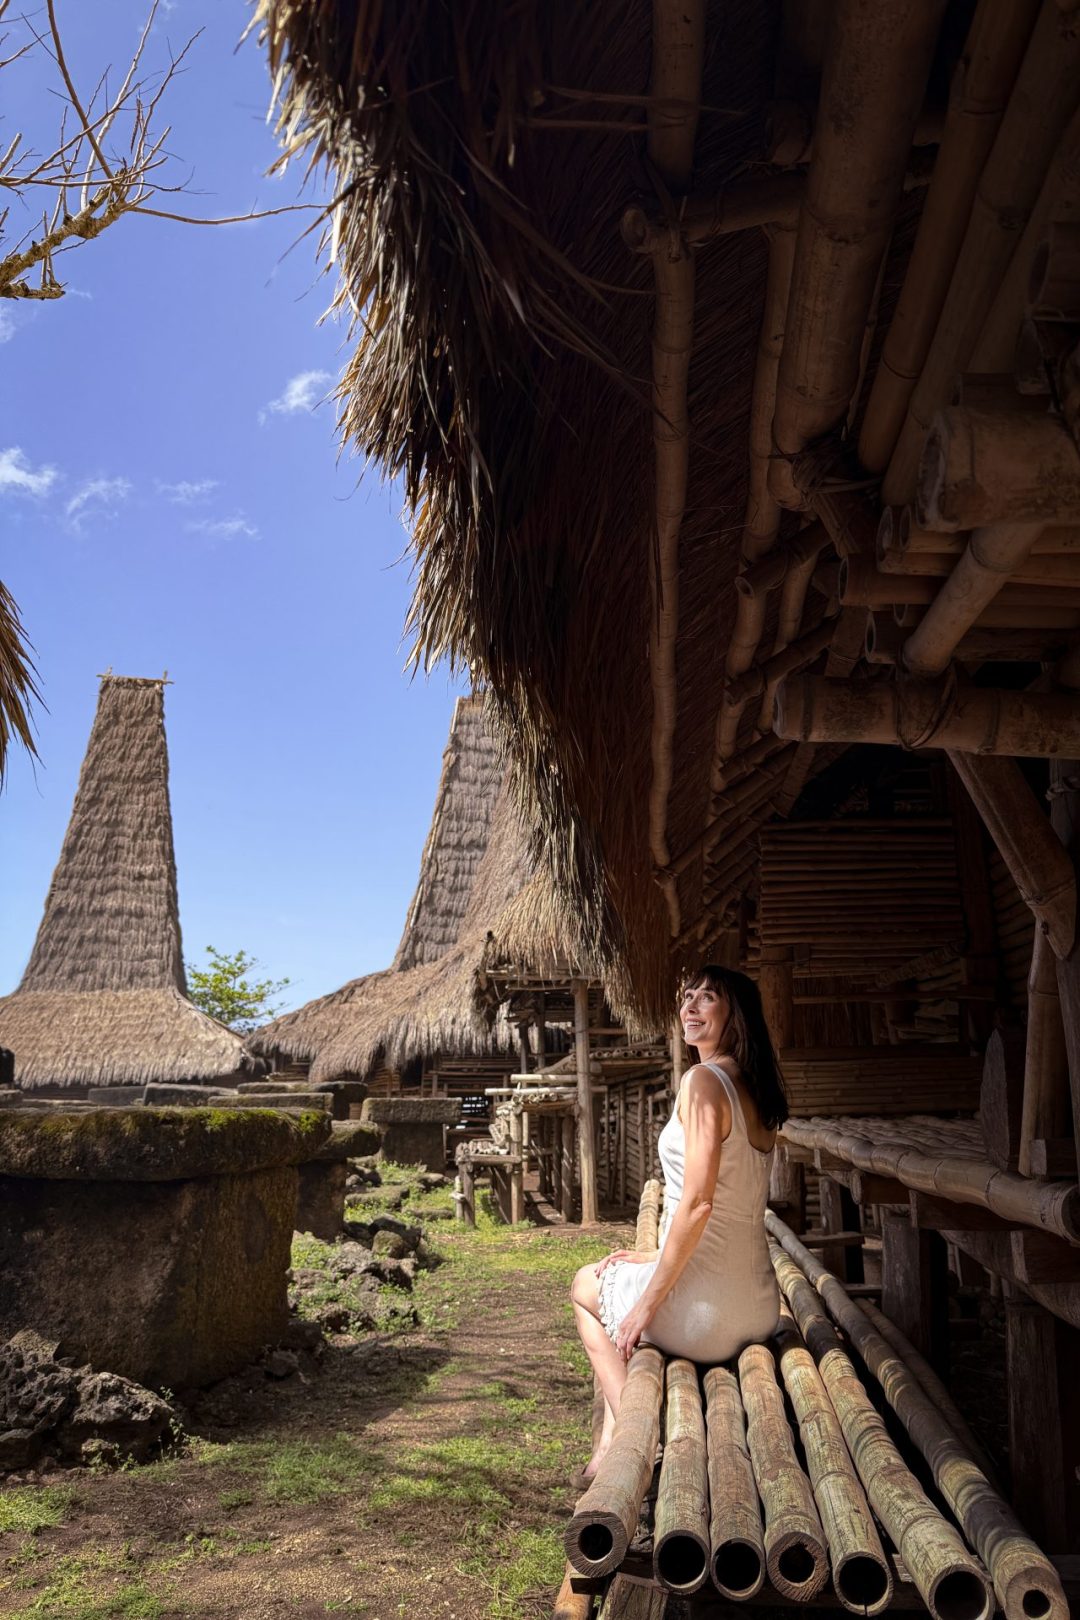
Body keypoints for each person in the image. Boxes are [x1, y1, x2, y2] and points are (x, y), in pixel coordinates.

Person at [570, 964, 789, 1482]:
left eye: (707, 998)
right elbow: (730, 1204)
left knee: (583, 1286)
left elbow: (698, 1204)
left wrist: (644, 1307)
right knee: (615, 1274)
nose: (689, 1006)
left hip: (704, 1318)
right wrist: (653, 1255)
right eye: (687, 996)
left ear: (736, 1014)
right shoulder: (754, 1087)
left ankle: (635, 1438)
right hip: (757, 1307)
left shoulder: (703, 1081)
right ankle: (609, 1443)